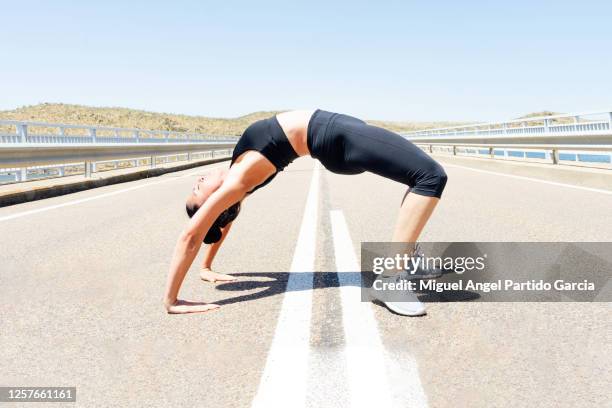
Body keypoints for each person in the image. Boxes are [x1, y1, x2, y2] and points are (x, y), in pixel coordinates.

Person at [163, 109, 448, 315]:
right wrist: (172, 300)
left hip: (336, 132)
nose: (197, 182)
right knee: (431, 176)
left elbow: (225, 220)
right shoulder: (239, 179)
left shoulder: (238, 178)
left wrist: (206, 267)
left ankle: (408, 260)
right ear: (214, 202)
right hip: (336, 137)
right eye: (197, 192)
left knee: (426, 175)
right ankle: (392, 278)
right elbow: (192, 234)